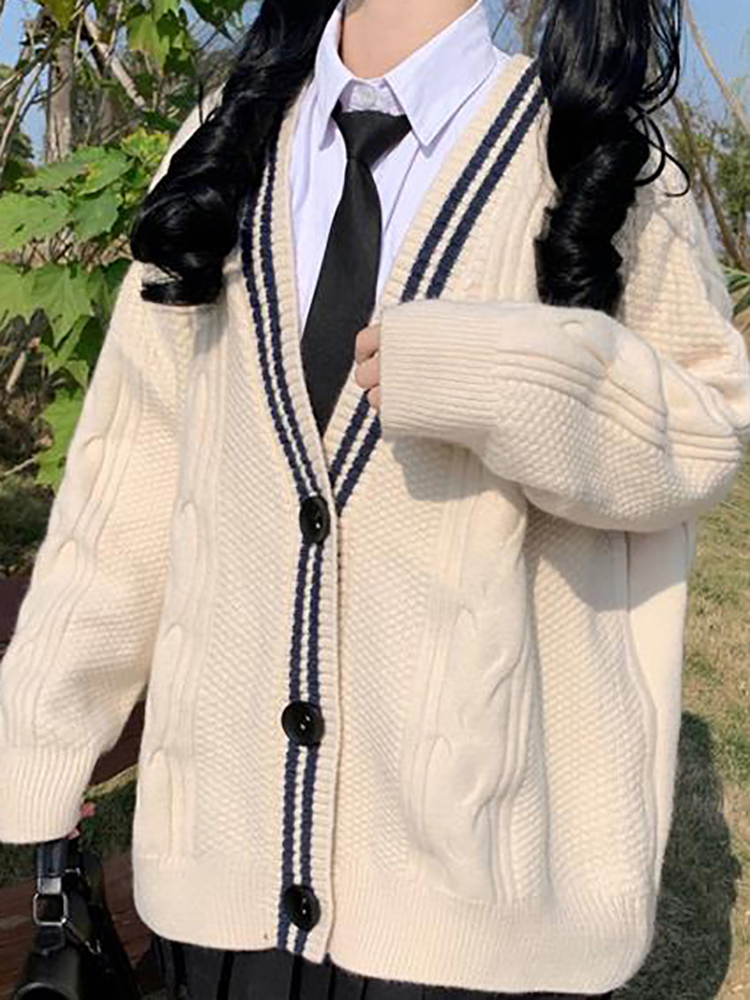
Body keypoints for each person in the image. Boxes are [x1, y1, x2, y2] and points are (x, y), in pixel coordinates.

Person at [1, 0, 749, 997]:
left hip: (476, 906)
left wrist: (506, 375)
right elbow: (126, 487)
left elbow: (704, 435)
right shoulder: (223, 145)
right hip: (224, 888)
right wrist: (40, 741)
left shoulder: (597, 150)